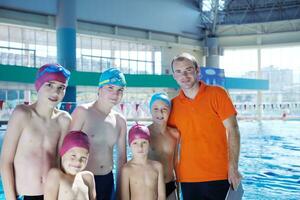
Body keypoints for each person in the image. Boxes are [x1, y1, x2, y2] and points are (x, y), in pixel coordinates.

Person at [168, 53, 242, 200]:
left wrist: (233, 167)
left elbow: (233, 129)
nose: (184, 75)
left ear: (197, 71)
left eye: (188, 69)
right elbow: (168, 142)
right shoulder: (173, 105)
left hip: (219, 174)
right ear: (174, 76)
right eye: (179, 71)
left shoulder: (217, 94)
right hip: (188, 177)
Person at [0, 63, 72, 200]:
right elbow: (5, 161)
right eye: (49, 85)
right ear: (38, 85)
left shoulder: (64, 120)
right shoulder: (22, 114)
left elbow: (62, 161)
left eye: (61, 87)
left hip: (53, 194)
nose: (55, 92)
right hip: (25, 194)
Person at [70, 68, 127, 200]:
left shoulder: (120, 121)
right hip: (83, 180)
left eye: (120, 90)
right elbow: (66, 151)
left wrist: (120, 192)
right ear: (99, 89)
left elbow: (121, 160)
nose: (115, 94)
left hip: (107, 181)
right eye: (110, 88)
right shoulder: (83, 112)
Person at [44, 130, 96, 200]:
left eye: (83, 158)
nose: (78, 162)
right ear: (63, 154)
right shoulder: (56, 175)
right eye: (73, 156)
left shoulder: (88, 177)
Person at [147, 93, 180, 200]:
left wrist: (179, 187)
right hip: (151, 187)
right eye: (155, 109)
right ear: (150, 110)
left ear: (170, 111)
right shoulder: (145, 134)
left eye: (164, 109)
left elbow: (176, 162)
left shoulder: (175, 134)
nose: (160, 113)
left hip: (170, 184)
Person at [121, 124, 166, 200]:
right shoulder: (126, 170)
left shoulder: (157, 167)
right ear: (129, 145)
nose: (140, 147)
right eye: (135, 143)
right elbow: (125, 198)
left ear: (149, 143)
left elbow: (161, 196)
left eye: (144, 142)